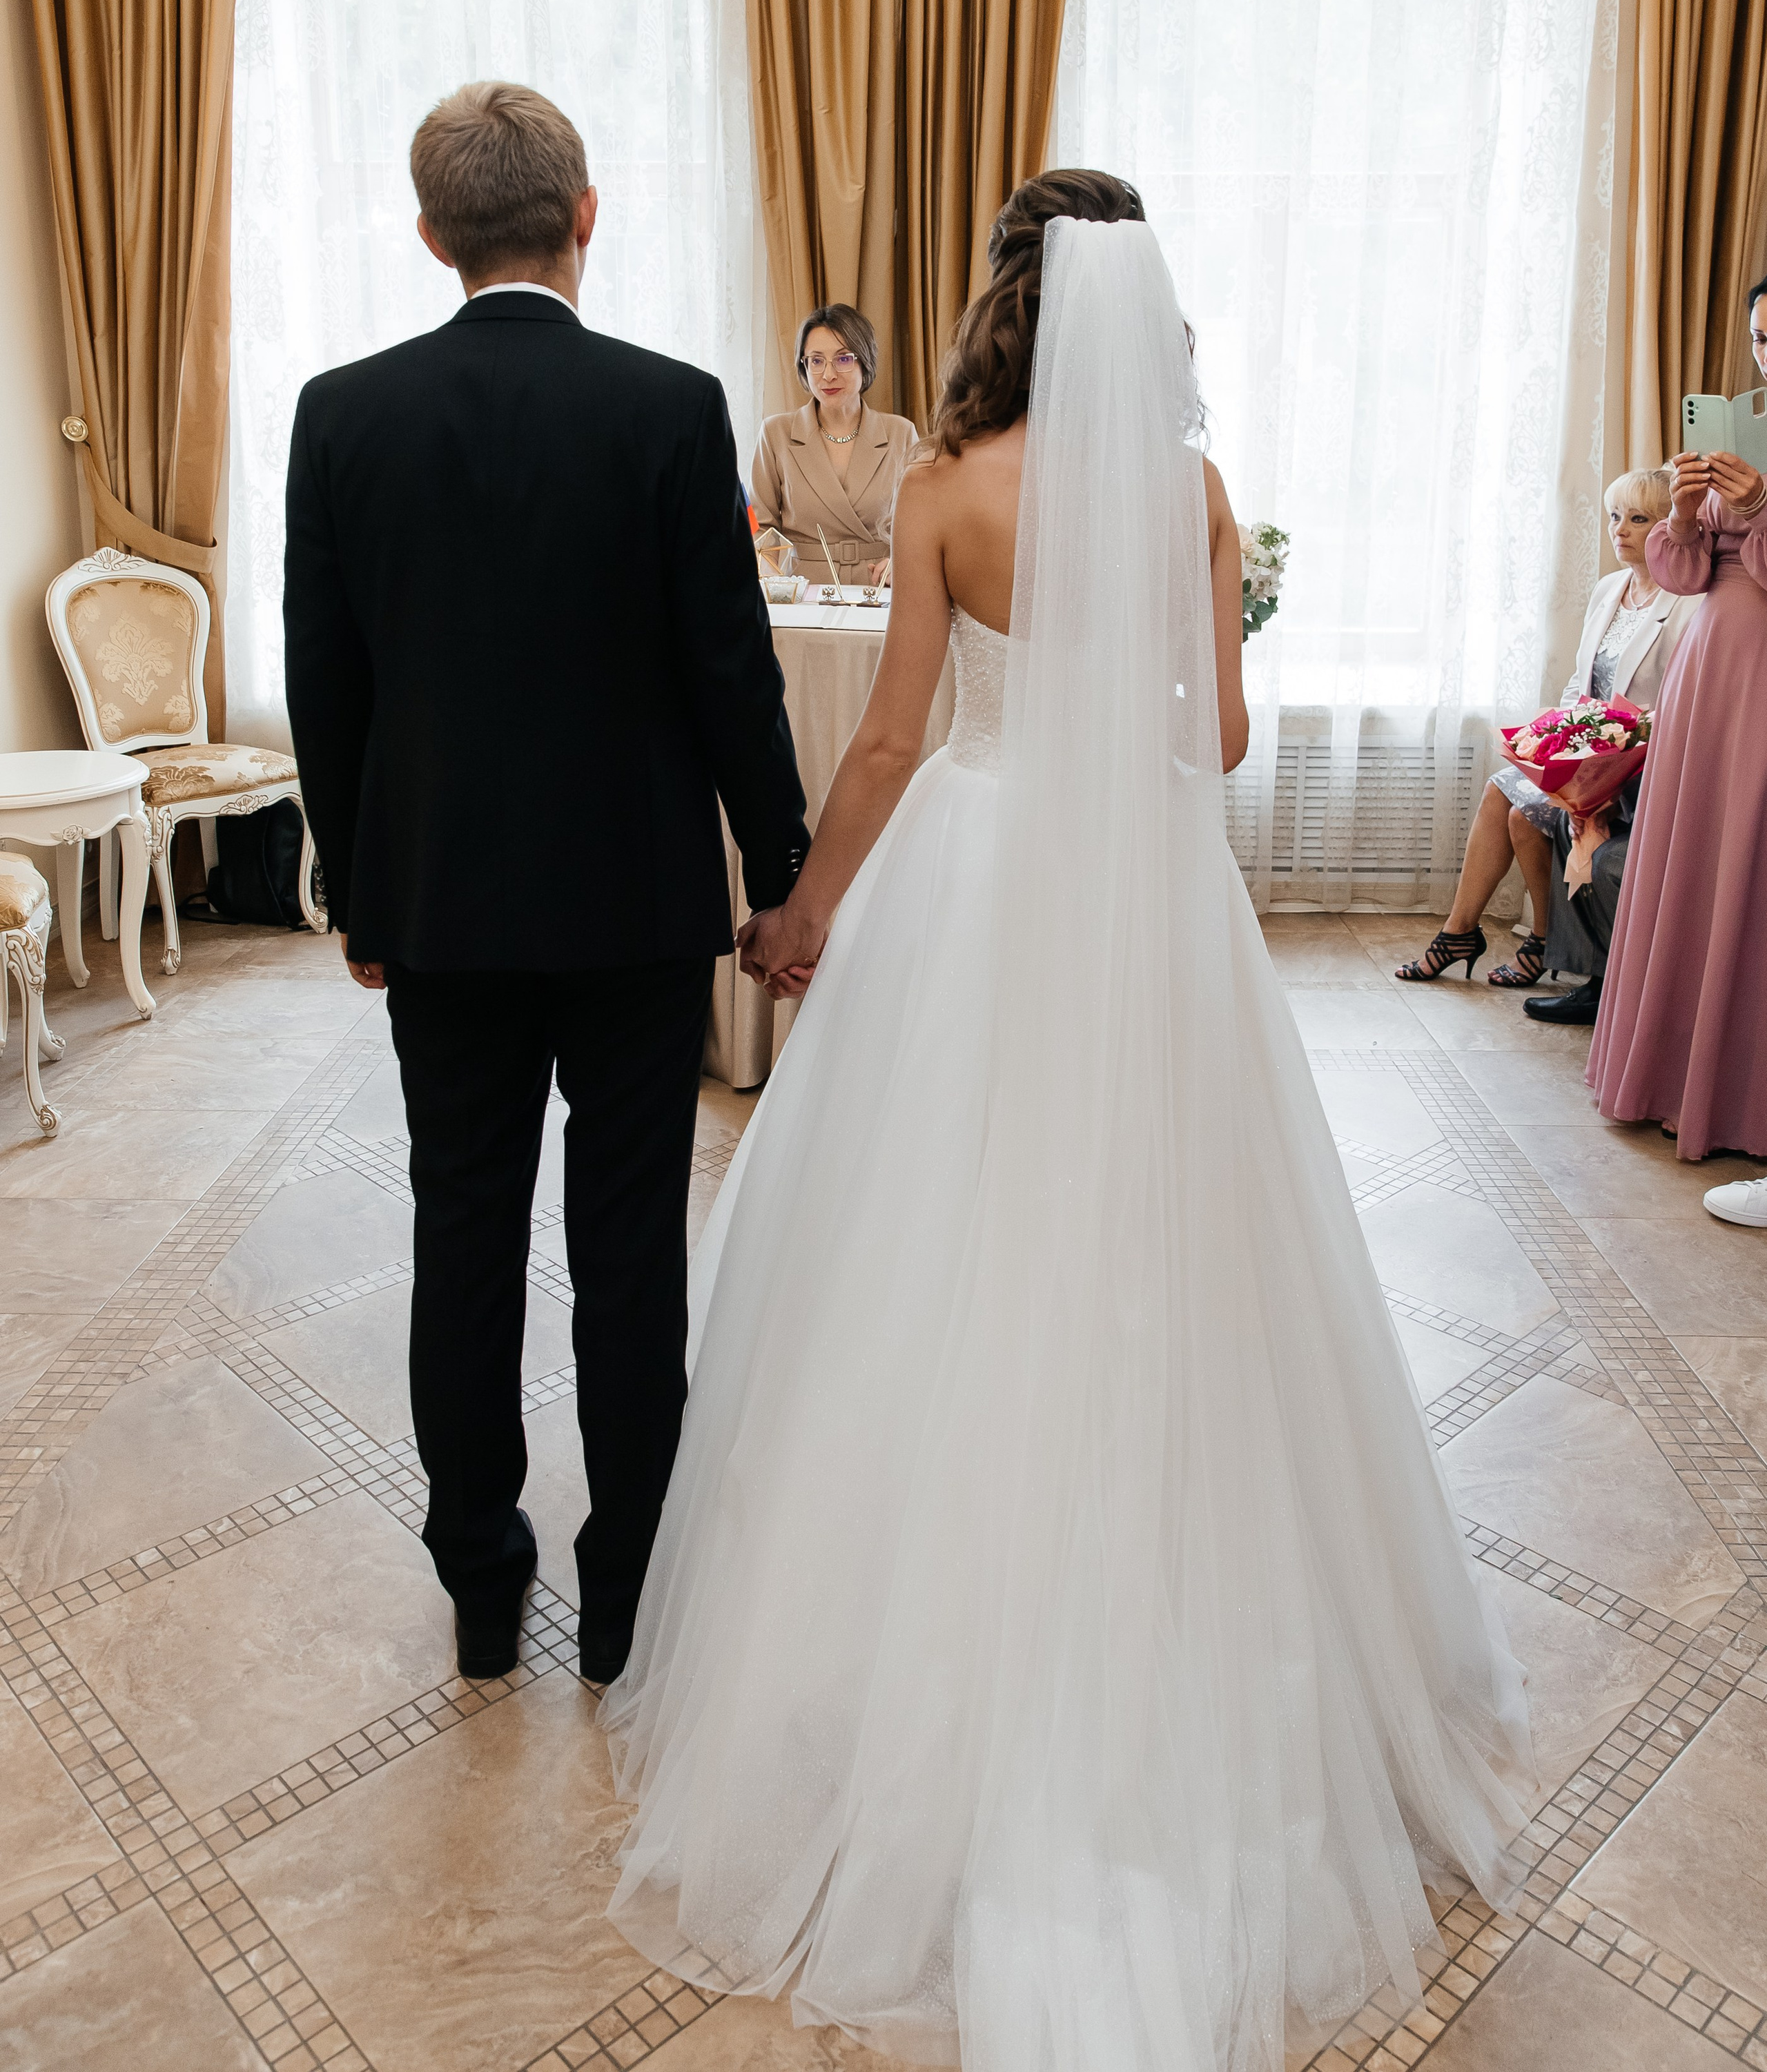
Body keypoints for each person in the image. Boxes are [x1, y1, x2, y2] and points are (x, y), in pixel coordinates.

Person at [598, 173, 1532, 2069]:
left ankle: (903, 1653)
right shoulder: (1191, 493)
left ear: (1001, 308)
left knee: (931, 1235)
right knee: (1171, 1242)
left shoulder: (951, 489)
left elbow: (886, 742)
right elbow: (1223, 749)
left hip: (978, 860)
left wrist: (802, 911)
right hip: (1141, 887)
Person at [282, 81, 809, 1686]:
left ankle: (483, 1582)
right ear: (588, 215)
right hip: (637, 908)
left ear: (432, 234)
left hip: (441, 907)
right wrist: (779, 872)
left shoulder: (341, 410)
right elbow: (730, 670)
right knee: (630, 1252)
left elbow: (328, 684)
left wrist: (363, 895)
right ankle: (628, 1592)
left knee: (462, 1233)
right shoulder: (669, 406)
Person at [1589, 277, 1767, 1211]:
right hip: (1706, 670)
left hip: (1762, 681)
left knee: (1750, 867)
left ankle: (1735, 1097)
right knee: (1696, 858)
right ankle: (1667, 1077)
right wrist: (1689, 512)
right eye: (1760, 338)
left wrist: (1763, 506)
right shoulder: (1741, 433)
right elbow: (1683, 572)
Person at [1396, 470, 1698, 988]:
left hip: (1639, 765)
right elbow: (1581, 687)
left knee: (1519, 814)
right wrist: (1552, 739)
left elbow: (1681, 703)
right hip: (1587, 753)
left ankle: (1525, 939)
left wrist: (1606, 751)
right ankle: (1469, 932)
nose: (1619, 529)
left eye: (1638, 519)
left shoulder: (1688, 604)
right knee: (1505, 790)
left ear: (1670, 529)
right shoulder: (1611, 589)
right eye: (1614, 516)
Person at [750, 304, 917, 585]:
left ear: (865, 362)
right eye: (816, 361)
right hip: (802, 592)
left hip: (878, 589)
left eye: (843, 360)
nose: (828, 375)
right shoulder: (775, 433)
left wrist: (901, 562)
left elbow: (921, 524)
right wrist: (779, 581)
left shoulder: (901, 433)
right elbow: (757, 524)